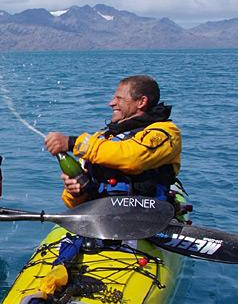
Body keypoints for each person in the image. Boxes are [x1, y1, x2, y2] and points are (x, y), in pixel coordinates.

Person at [44, 74, 181, 208]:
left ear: (141, 102)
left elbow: (132, 158)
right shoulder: (101, 138)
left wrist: (72, 143)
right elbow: (73, 204)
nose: (111, 103)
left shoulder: (166, 133)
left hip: (148, 218)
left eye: (119, 98)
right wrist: (75, 192)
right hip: (103, 220)